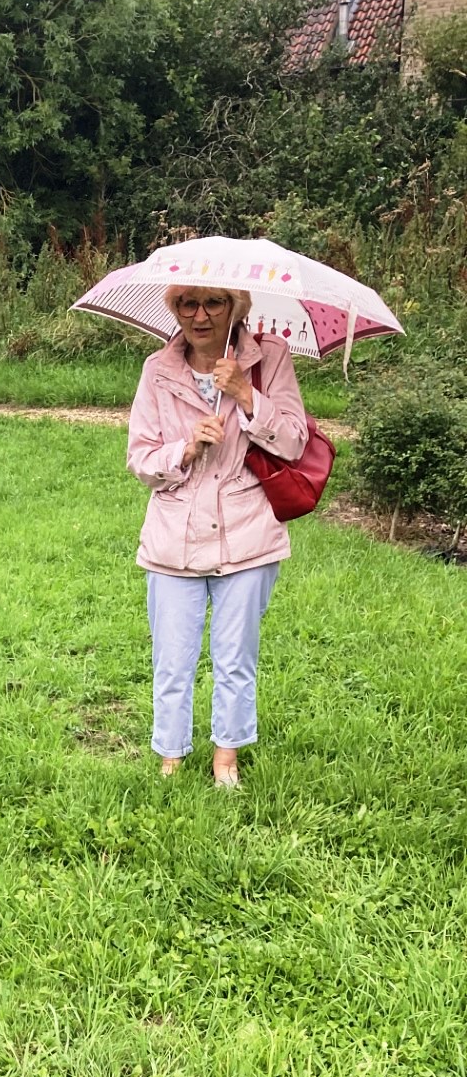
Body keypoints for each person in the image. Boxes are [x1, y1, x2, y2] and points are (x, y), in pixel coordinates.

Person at [127, 286, 308, 787]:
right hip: (173, 537)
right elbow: (140, 460)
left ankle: (225, 758)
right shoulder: (156, 369)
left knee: (236, 656)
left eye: (214, 303)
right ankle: (170, 756)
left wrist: (248, 396)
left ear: (236, 308)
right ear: (174, 310)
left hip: (247, 532)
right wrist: (184, 450)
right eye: (188, 304)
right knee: (172, 657)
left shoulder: (268, 358)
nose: (200, 316)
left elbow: (295, 442)